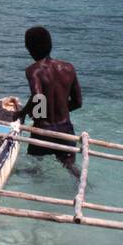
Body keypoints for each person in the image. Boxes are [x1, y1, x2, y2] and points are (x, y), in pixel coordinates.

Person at [18, 26, 82, 177]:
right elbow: (78, 102)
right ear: (49, 45)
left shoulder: (33, 70)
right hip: (65, 130)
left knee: (33, 169)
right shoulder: (69, 68)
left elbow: (38, 97)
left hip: (43, 130)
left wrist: (25, 113)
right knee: (72, 169)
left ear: (30, 48)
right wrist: (60, 111)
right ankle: (88, 190)